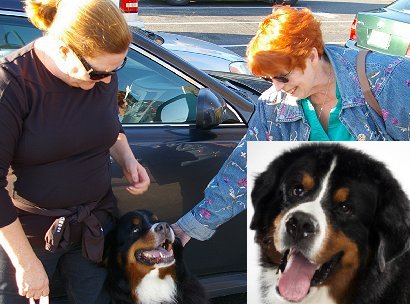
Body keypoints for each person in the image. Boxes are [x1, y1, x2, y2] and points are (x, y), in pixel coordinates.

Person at [171, 5, 410, 246]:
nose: (276, 86)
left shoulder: (389, 79)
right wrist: (189, 227)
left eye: (283, 76)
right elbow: (244, 170)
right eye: (269, 78)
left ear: (312, 55)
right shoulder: (274, 106)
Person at [0, 0, 150, 303]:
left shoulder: (100, 67)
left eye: (117, 68)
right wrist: (26, 263)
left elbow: (108, 124)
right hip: (29, 239)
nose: (107, 81)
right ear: (65, 50)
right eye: (97, 74)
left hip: (94, 229)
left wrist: (127, 158)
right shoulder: (13, 84)